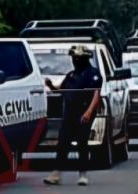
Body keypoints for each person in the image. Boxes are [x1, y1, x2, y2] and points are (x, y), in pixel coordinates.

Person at [43, 44, 102, 186]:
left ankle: (82, 174)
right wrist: (50, 85)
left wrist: (89, 112)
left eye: (77, 58)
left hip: (84, 112)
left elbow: (96, 94)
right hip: (69, 112)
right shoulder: (71, 75)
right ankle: (56, 173)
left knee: (82, 142)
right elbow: (60, 89)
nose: (75, 60)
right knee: (63, 142)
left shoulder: (92, 74)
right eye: (73, 58)